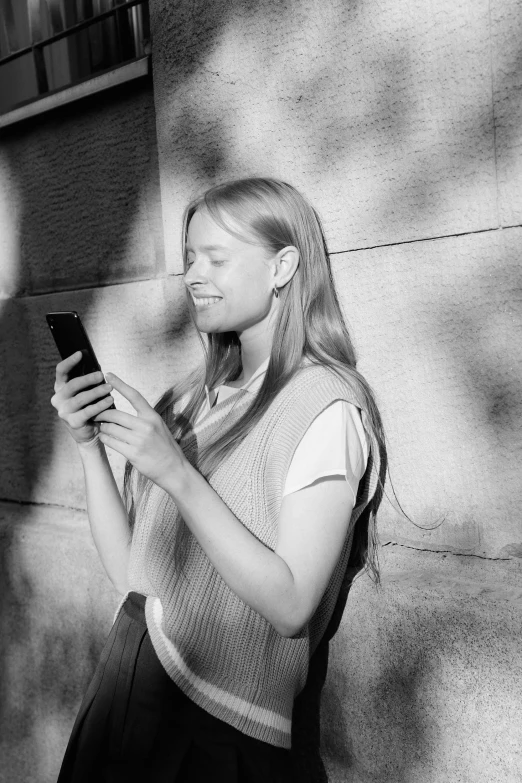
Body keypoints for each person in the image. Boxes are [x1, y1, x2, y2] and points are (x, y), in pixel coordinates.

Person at [51, 177, 387, 782]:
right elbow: (134, 576)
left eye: (216, 258)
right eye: (188, 259)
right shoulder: (194, 399)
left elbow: (290, 605)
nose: (192, 275)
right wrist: (87, 445)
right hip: (123, 701)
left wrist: (177, 474)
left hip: (215, 736)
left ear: (283, 266)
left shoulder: (326, 406)